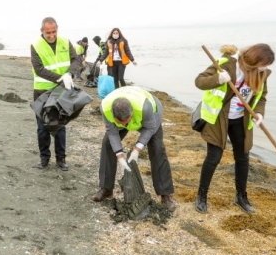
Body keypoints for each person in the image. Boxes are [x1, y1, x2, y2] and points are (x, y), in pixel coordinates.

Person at [194, 44, 274, 214]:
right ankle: (201, 195)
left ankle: (241, 197)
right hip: (218, 119)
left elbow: (261, 97)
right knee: (213, 157)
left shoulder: (261, 74)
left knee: (243, 157)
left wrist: (259, 114)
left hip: (241, 120)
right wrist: (218, 79)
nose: (265, 68)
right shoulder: (225, 65)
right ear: (253, 62)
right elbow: (199, 82)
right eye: (263, 64)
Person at [90, 86, 176, 209]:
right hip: (126, 116)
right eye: (121, 122)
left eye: (126, 121)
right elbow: (112, 132)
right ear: (114, 115)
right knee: (107, 144)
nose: (125, 125)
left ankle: (165, 194)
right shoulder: (105, 108)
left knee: (157, 148)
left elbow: (150, 128)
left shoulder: (145, 108)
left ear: (131, 114)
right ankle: (106, 188)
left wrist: (137, 149)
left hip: (150, 118)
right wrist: (119, 155)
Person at [30, 17, 81, 171]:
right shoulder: (35, 46)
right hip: (42, 90)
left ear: (57, 29)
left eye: (54, 32)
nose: (51, 35)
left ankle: (61, 158)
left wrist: (70, 74)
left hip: (61, 92)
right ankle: (44, 158)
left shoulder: (65, 41)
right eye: (48, 33)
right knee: (42, 126)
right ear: (42, 31)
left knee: (60, 125)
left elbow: (76, 60)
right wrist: (60, 78)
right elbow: (39, 69)